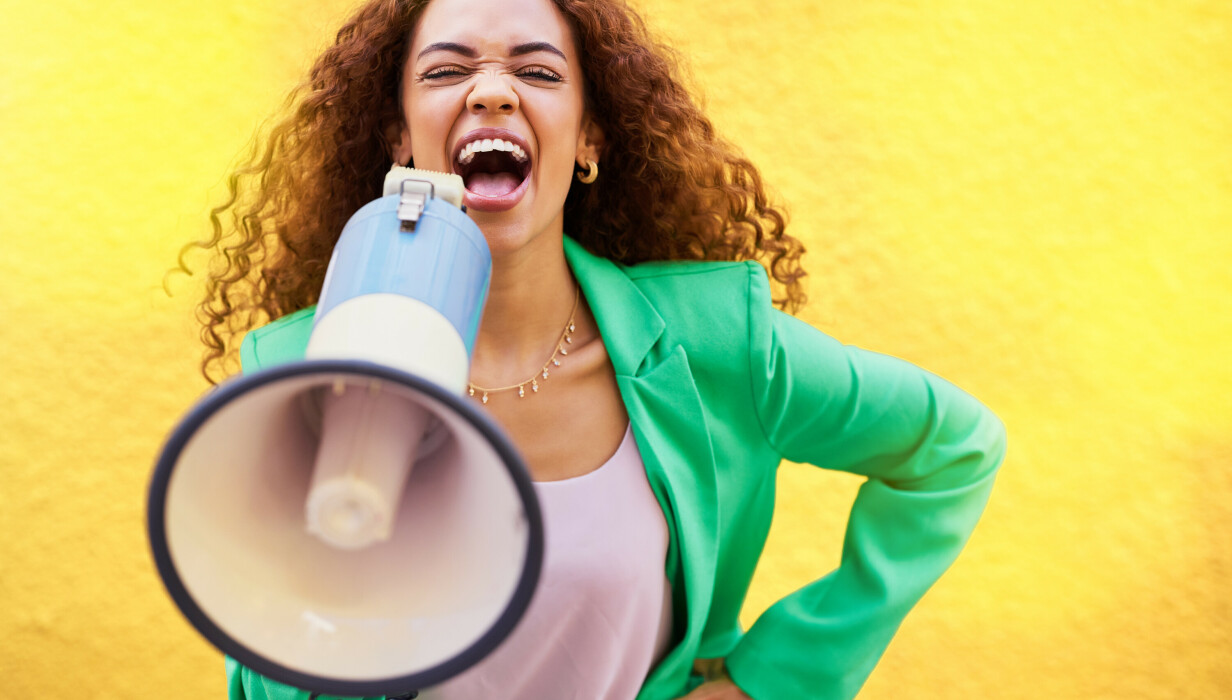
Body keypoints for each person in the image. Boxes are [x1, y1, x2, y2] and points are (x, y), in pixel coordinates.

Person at [184, 0, 1007, 698]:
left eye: (537, 73)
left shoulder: (714, 343)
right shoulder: (302, 375)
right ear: (400, 138)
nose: (493, 93)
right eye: (446, 72)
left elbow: (954, 450)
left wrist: (775, 677)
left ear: (589, 140)